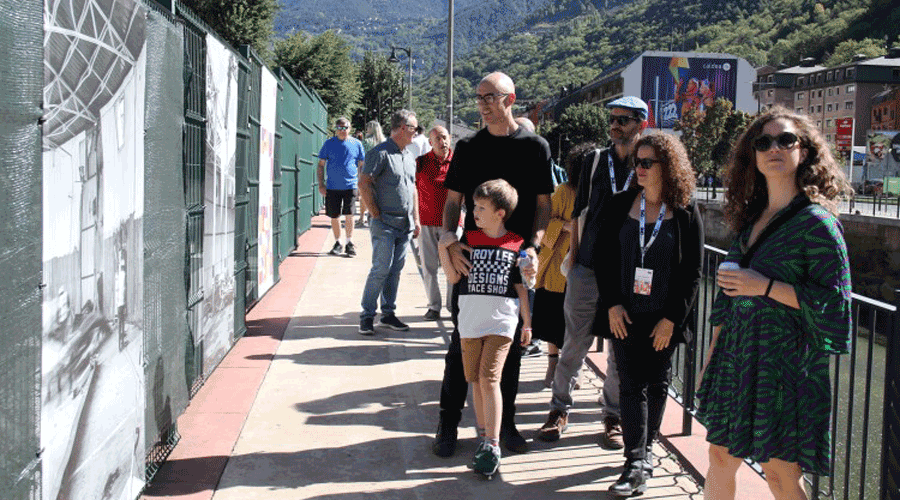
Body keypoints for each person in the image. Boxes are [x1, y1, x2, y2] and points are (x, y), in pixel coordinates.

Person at [698, 107, 853, 500]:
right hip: (737, 359)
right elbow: (726, 301)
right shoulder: (752, 220)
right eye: (762, 142)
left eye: (786, 139)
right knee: (718, 456)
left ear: (805, 151)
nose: (774, 148)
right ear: (752, 155)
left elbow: (834, 306)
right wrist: (711, 360)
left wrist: (764, 286)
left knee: (781, 475)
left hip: (785, 369)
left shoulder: (817, 224)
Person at [432, 72, 553, 458]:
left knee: (511, 348)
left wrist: (533, 247)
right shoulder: (467, 147)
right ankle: (447, 424)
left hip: (514, 260)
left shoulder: (536, 147)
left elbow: (544, 205)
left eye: (491, 96)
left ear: (510, 99)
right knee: (459, 347)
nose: (483, 103)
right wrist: (449, 239)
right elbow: (452, 200)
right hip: (472, 257)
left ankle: (506, 427)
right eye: (479, 97)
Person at [593, 132, 703, 496]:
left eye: (646, 162)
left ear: (666, 167)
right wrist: (611, 303)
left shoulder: (686, 209)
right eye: (636, 162)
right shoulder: (622, 202)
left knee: (656, 382)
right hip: (624, 313)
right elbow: (603, 258)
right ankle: (635, 461)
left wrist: (672, 319)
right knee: (630, 383)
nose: (638, 168)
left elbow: (693, 272)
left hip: (662, 318)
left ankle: (647, 449)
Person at [537, 96, 649, 448]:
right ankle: (559, 409)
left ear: (642, 124)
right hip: (587, 268)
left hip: (630, 271)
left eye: (624, 119)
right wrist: (574, 261)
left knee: (620, 345)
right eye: (613, 118)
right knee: (574, 341)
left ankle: (612, 415)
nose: (615, 124)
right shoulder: (595, 161)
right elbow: (577, 213)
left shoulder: (649, 163)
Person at [438, 179, 532, 478]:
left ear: (500, 213)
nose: (474, 212)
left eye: (481, 207)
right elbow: (454, 279)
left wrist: (527, 323)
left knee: (489, 377)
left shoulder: (516, 243)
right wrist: (444, 246)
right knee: (475, 379)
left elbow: (521, 287)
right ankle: (484, 438)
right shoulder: (470, 240)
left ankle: (492, 443)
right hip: (469, 322)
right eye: (473, 206)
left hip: (502, 322)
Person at [357, 109, 422, 335]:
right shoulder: (380, 153)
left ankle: (388, 313)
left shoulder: (408, 155)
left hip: (404, 226)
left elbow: (412, 188)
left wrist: (416, 218)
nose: (416, 133)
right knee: (381, 269)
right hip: (384, 224)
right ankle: (367, 316)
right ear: (403, 128)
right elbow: (364, 183)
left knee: (395, 270)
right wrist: (375, 214)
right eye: (415, 128)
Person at [532, 144, 588, 387]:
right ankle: (552, 363)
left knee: (576, 324)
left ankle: (570, 369)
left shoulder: (597, 192)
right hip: (556, 268)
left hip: (584, 267)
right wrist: (566, 227)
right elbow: (543, 225)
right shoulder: (562, 192)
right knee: (552, 320)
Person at [416, 125, 454, 321]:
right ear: (430, 143)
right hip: (426, 223)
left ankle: (452, 306)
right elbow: (412, 190)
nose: (443, 142)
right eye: (438, 138)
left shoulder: (458, 163)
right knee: (429, 267)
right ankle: (434, 306)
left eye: (445, 137)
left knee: (453, 268)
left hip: (453, 225)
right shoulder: (421, 163)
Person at [318, 117, 366, 257]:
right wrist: (321, 184)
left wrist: (360, 183)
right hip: (332, 186)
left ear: (349, 128)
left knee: (349, 214)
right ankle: (338, 243)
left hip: (350, 185)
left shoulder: (356, 144)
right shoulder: (329, 144)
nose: (342, 130)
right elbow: (321, 165)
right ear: (336, 129)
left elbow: (361, 165)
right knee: (334, 215)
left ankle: (349, 243)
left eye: (345, 127)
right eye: (339, 128)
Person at [359, 120, 386, 227]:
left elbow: (361, 158)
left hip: (367, 170)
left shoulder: (365, 142)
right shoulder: (384, 141)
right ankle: (376, 216)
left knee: (364, 194)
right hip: (381, 171)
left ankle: (362, 218)